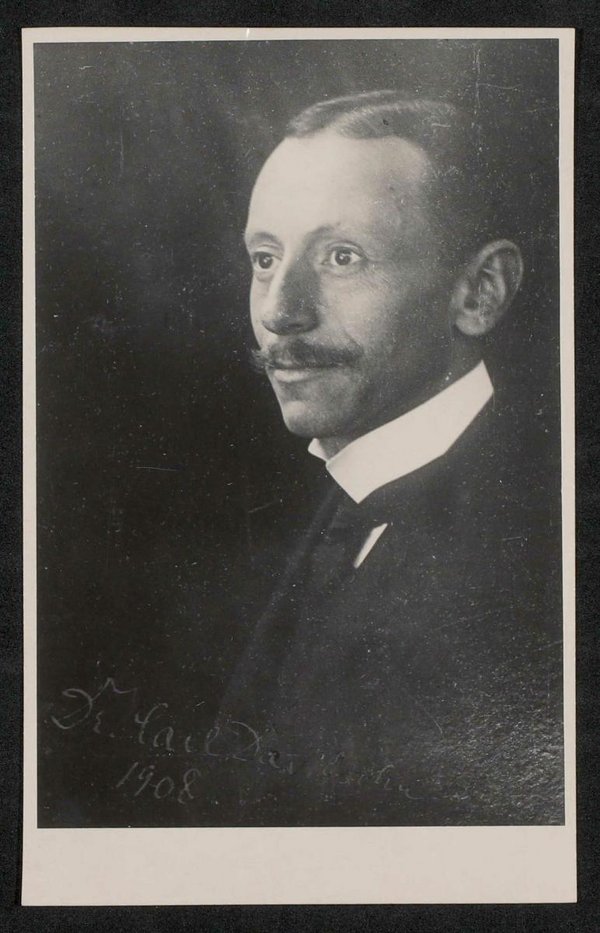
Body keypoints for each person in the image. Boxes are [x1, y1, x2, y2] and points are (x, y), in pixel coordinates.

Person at [213, 91, 564, 826]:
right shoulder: (333, 506)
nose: (279, 310)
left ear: (479, 292)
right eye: (265, 259)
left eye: (342, 258)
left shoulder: (544, 554)